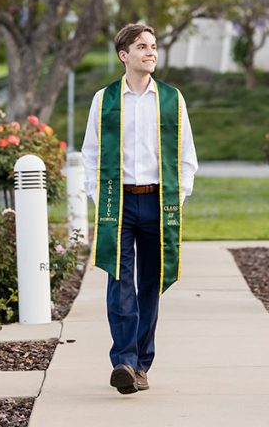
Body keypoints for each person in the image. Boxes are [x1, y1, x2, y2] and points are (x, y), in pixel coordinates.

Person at [81, 23, 198, 395]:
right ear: (124, 55)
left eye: (153, 46)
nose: (151, 52)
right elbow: (91, 154)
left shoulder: (171, 99)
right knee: (119, 281)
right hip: (119, 202)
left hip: (158, 201)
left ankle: (142, 362)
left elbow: (187, 157)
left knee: (150, 284)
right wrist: (100, 198)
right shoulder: (105, 100)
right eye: (142, 47)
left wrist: (176, 198)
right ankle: (124, 362)